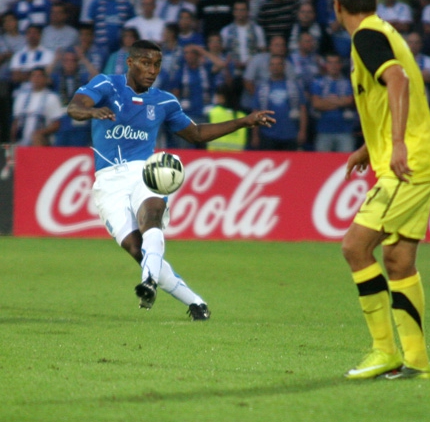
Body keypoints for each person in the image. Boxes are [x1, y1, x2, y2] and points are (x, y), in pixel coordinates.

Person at [65, 39, 275, 320]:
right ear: (130, 62)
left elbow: (197, 134)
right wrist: (91, 111)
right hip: (108, 180)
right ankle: (197, 303)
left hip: (147, 171)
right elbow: (74, 107)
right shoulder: (107, 85)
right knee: (136, 249)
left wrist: (243, 121)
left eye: (157, 64)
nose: (152, 70)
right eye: (145, 63)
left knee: (152, 215)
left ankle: (148, 281)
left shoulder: (164, 101)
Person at [330, 0, 430, 381]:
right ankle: (416, 360)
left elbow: (396, 80)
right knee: (398, 260)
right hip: (419, 160)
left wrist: (395, 144)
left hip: (407, 164)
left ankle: (383, 350)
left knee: (355, 247)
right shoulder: (383, 31)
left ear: (337, 5)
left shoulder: (365, 37)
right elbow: (393, 91)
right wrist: (369, 147)